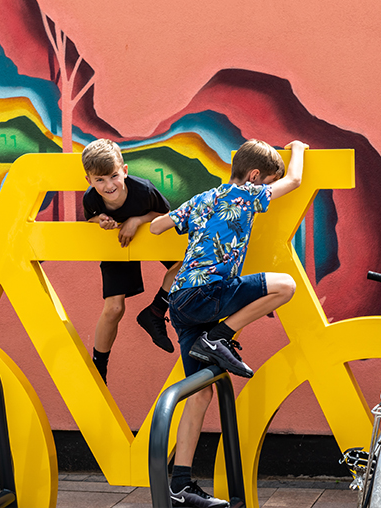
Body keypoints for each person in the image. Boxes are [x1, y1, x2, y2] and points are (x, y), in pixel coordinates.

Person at [150, 139, 308, 507]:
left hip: (181, 303)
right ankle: (219, 337)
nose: (266, 187)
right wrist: (298, 147)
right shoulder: (247, 196)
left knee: (200, 393)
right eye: (266, 180)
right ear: (254, 177)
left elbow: (159, 226)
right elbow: (296, 181)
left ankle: (180, 486)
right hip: (210, 293)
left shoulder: (204, 198)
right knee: (285, 285)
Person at [82, 138, 181, 384]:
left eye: (114, 176)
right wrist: (101, 221)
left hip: (152, 234)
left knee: (186, 266)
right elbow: (89, 220)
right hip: (118, 244)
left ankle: (156, 311)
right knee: (114, 308)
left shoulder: (143, 190)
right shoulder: (91, 199)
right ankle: (99, 367)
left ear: (124, 171)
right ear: (90, 181)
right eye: (100, 180)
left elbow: (165, 215)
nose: (108, 185)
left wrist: (137, 220)